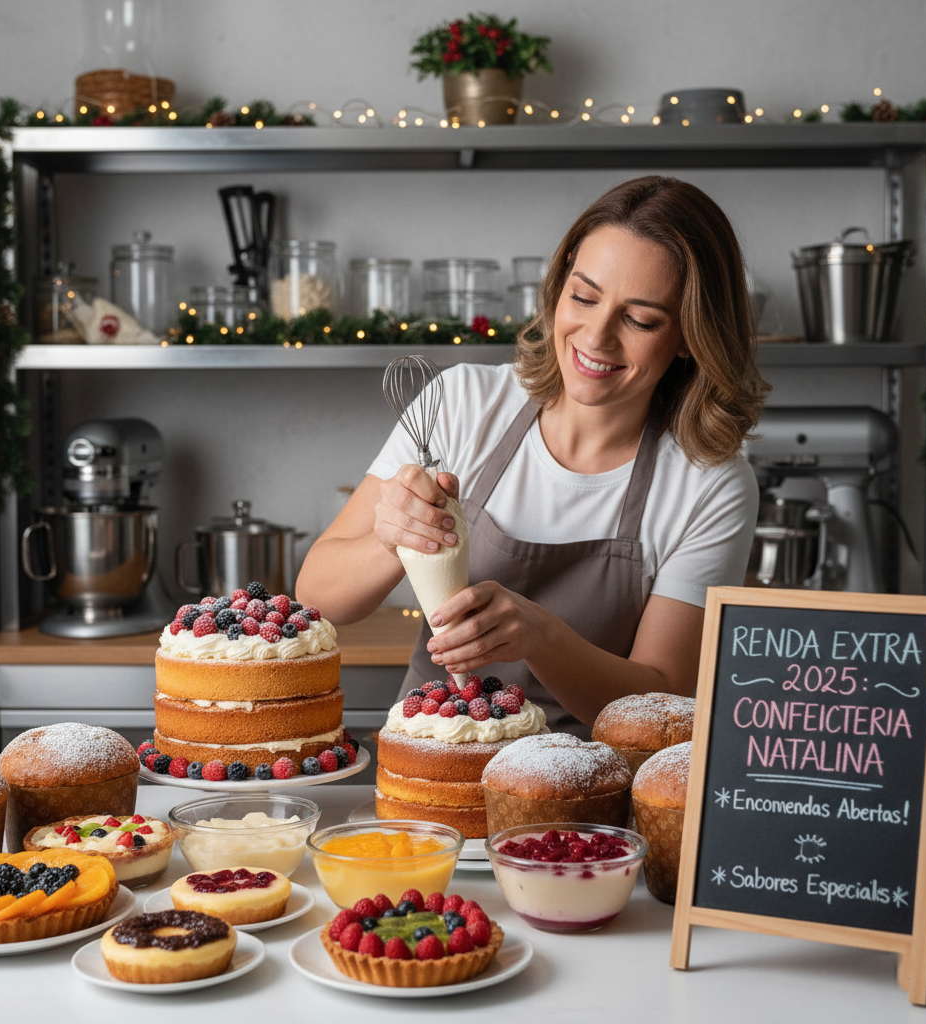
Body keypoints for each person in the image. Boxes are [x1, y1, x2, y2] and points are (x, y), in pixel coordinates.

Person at [296, 175, 770, 733]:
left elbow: (660, 709)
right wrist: (393, 538)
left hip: (586, 801)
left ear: (690, 333)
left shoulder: (709, 483)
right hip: (430, 772)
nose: (595, 337)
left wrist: (541, 635)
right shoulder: (463, 403)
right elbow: (320, 596)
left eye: (640, 319)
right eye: (584, 296)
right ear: (560, 280)